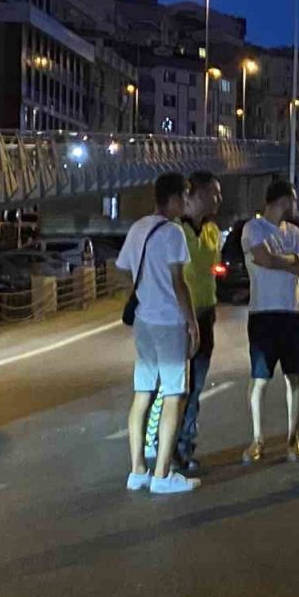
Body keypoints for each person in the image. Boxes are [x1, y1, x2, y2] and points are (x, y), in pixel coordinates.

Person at [116, 173, 200, 495]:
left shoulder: (138, 228)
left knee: (142, 394)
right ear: (175, 198)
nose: (187, 202)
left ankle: (137, 469)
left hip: (143, 322)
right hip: (168, 323)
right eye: (185, 197)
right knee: (174, 395)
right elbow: (179, 282)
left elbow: (123, 268)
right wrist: (191, 322)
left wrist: (143, 293)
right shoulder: (174, 233)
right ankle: (162, 474)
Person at [145, 171, 222, 471]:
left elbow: (205, 266)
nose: (219, 199)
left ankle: (184, 446)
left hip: (206, 312)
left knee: (196, 384)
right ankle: (159, 444)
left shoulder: (213, 230)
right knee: (173, 387)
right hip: (177, 318)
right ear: (195, 195)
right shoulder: (172, 230)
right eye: (214, 193)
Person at [241, 180, 299, 463]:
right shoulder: (254, 228)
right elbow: (263, 259)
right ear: (282, 200)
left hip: (296, 311)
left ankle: (292, 438)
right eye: (292, 200)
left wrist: (284, 260)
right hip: (264, 313)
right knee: (259, 378)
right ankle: (257, 439)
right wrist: (292, 259)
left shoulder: (294, 231)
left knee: (295, 377)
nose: (295, 205)